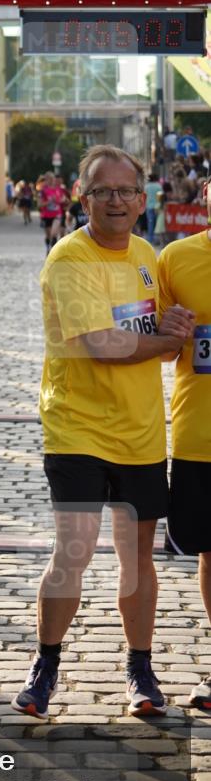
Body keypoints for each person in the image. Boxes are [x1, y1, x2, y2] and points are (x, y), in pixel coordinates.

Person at [11, 144, 196, 720]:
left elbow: (163, 336)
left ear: (143, 199)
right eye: (102, 191)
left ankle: (140, 669)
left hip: (141, 433)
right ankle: (46, 665)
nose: (115, 201)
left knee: (138, 557)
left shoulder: (148, 255)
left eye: (125, 191)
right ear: (81, 198)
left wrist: (176, 327)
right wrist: (170, 341)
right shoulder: (70, 258)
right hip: (77, 429)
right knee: (76, 548)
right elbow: (105, 344)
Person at [158, 178, 211, 710]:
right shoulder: (176, 258)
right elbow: (155, 350)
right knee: (210, 554)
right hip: (200, 435)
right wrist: (167, 331)